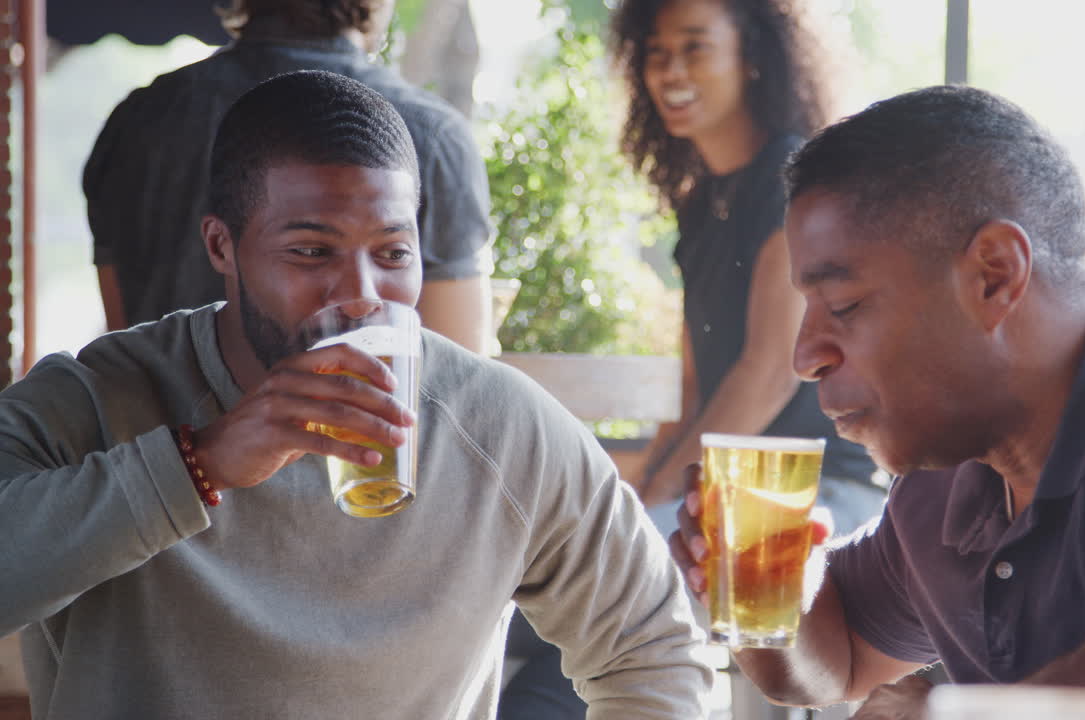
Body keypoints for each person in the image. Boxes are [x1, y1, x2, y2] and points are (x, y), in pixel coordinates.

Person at [1, 70, 713, 719]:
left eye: (393, 253)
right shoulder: (92, 401)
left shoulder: (498, 427)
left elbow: (653, 654)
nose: (363, 296)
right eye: (312, 252)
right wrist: (202, 463)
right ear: (222, 247)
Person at [668, 84, 1085, 720]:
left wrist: (939, 710)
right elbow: (841, 654)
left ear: (994, 274)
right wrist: (765, 590)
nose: (805, 356)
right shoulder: (947, 475)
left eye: (844, 306)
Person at [84, 0, 494, 353]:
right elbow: (454, 374)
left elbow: (126, 345)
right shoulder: (433, 135)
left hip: (157, 441)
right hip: (361, 441)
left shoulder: (138, 122)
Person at [608, 0, 881, 530]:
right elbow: (693, 391)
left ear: (751, 57)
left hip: (819, 490)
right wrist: (642, 488)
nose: (671, 70)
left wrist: (666, 492)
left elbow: (769, 372)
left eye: (695, 47)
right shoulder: (700, 204)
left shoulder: (791, 176)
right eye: (657, 52)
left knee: (620, 580)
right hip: (733, 487)